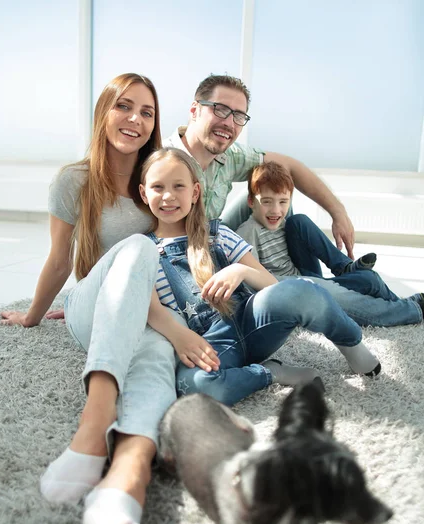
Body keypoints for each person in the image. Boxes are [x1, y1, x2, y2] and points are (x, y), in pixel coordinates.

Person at [0, 73, 220, 524]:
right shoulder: (74, 181)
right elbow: (60, 261)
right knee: (139, 247)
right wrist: (34, 316)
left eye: (147, 112)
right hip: (90, 307)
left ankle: (128, 483)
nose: (136, 120)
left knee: (155, 360)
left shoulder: (159, 178)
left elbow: (191, 237)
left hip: (151, 312)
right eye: (125, 107)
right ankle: (93, 425)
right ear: (104, 113)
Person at [139, 147, 381, 407]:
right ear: (144, 193)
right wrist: (180, 337)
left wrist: (240, 270)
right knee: (195, 387)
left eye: (178, 186)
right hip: (209, 343)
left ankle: (351, 345)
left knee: (303, 289)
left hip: (253, 321)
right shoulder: (143, 250)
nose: (168, 196)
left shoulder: (218, 234)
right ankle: (271, 372)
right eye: (157, 187)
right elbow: (152, 310)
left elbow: (271, 285)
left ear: (195, 192)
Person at [163, 74, 355, 257]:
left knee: (277, 189)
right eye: (220, 109)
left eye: (238, 116)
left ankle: (291, 267)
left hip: (212, 235)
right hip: (184, 255)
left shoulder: (230, 156)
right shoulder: (160, 161)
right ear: (194, 111)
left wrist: (338, 213)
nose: (229, 123)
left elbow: (291, 166)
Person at [236, 162, 424, 327]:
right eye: (267, 202)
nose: (276, 210)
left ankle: (345, 268)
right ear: (252, 202)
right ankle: (410, 308)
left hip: (307, 277)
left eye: (283, 202)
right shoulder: (248, 232)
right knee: (362, 287)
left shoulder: (284, 222)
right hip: (293, 292)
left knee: (368, 278)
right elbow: (254, 284)